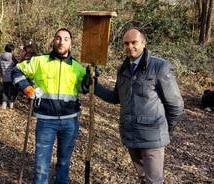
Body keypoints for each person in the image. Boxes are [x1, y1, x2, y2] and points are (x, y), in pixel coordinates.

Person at [94, 28, 184, 183]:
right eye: (126, 43)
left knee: (153, 181)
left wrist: (163, 129)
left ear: (143, 43)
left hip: (152, 138)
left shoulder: (159, 67)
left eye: (134, 42)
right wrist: (94, 86)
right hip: (130, 135)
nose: (130, 46)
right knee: (142, 178)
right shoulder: (122, 69)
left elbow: (176, 105)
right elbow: (116, 97)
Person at [12, 28, 90, 184]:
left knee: (63, 163)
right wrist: (27, 88)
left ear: (71, 42)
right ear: (54, 40)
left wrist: (90, 78)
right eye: (58, 38)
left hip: (70, 122)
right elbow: (16, 70)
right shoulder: (39, 61)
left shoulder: (78, 67)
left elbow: (84, 89)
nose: (61, 42)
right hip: (46, 121)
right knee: (41, 166)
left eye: (66, 39)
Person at [0, 43, 18, 109]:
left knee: (5, 90)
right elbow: (17, 66)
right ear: (12, 50)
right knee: (12, 90)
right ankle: (11, 103)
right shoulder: (13, 58)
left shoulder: (0, 57)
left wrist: (1, 74)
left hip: (4, 77)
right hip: (12, 77)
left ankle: (4, 104)